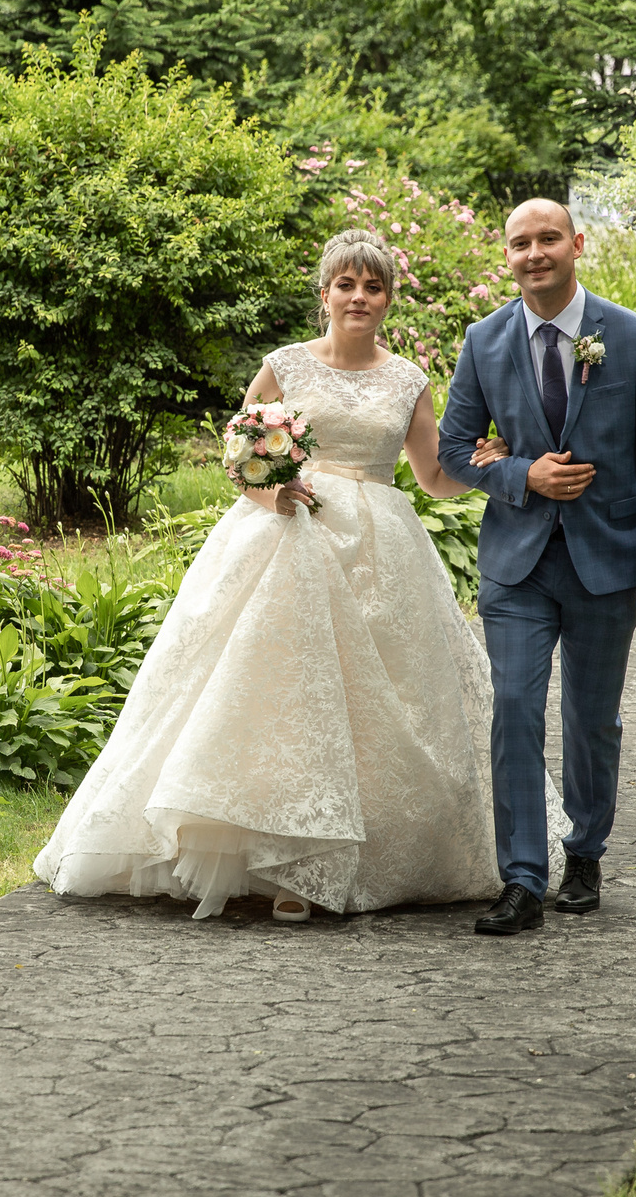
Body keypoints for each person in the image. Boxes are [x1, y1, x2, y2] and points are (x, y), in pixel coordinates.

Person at [34, 228, 508, 920]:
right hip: (291, 540)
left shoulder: (409, 379)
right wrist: (273, 491)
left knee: (376, 701)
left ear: (387, 299)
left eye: (373, 286)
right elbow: (239, 456)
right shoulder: (285, 365)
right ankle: (279, 859)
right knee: (287, 692)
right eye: (346, 284)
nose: (360, 296)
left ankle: (338, 864)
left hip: (381, 555)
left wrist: (482, 468)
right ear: (325, 295)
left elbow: (432, 478)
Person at [436, 199, 636, 935]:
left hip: (608, 564)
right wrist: (520, 475)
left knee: (590, 719)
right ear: (506, 256)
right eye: (520, 243)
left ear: (577, 243)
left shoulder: (635, 339)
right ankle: (521, 878)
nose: (535, 252)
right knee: (513, 707)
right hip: (517, 564)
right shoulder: (482, 342)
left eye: (549, 238)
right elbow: (455, 450)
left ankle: (585, 850)